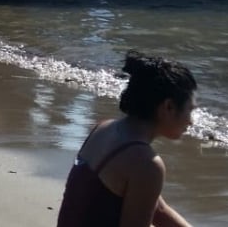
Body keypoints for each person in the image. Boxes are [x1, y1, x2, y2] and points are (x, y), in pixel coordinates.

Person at [55, 51, 196, 227]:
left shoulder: (105, 128)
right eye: (190, 110)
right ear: (168, 107)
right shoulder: (145, 163)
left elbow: (159, 210)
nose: (191, 121)